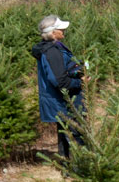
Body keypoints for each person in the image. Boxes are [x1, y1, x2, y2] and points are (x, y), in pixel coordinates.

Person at [33, 14, 86, 160]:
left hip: (61, 99)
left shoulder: (54, 48)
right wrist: (81, 82)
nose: (64, 30)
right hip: (62, 100)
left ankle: (66, 164)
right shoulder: (51, 52)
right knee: (74, 133)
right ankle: (78, 167)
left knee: (65, 131)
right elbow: (60, 81)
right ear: (53, 32)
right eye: (60, 28)